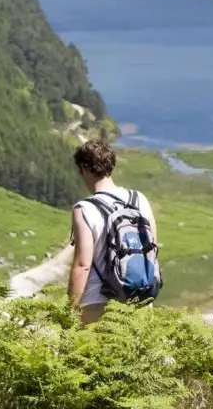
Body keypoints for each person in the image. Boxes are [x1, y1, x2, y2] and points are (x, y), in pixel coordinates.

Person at [68, 140, 159, 326]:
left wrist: (69, 310)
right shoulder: (139, 199)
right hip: (139, 301)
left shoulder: (84, 208)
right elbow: (152, 247)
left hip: (97, 304)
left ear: (85, 168)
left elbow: (82, 264)